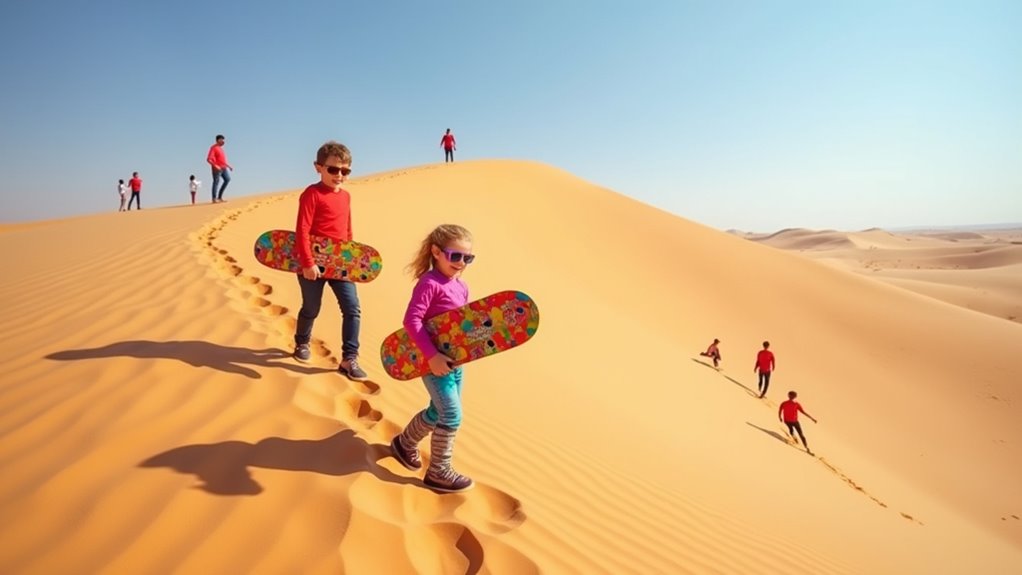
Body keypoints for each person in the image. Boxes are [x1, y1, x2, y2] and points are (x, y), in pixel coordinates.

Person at [390, 224, 477, 493]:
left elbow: (459, 326)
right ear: (436, 252)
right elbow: (411, 320)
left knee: (437, 411)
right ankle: (439, 471)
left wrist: (461, 355)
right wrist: (432, 357)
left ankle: (404, 443)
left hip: (453, 363)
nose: (461, 263)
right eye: (455, 256)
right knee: (451, 415)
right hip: (432, 362)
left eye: (468, 258)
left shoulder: (461, 287)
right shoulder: (429, 283)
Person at [291, 141, 367, 382]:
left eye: (345, 171)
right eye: (333, 170)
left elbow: (348, 231)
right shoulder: (311, 194)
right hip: (312, 263)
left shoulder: (346, 197)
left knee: (352, 308)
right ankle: (302, 342)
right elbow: (302, 229)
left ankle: (349, 358)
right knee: (312, 308)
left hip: (340, 264)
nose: (339, 176)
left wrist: (352, 261)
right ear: (319, 167)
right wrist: (307, 263)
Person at [207, 134, 233, 203]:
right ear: (218, 140)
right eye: (222, 140)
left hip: (224, 168)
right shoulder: (213, 148)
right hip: (217, 169)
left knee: (227, 179)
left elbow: (222, 160)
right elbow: (208, 159)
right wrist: (215, 166)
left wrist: (229, 166)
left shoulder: (221, 149)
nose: (224, 142)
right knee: (216, 182)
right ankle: (214, 198)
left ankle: (219, 197)